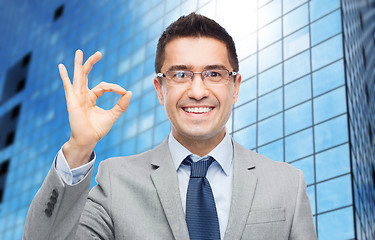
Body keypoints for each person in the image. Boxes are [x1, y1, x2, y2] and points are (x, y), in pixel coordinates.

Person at [23, 13, 317, 240]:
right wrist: (79, 147)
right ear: (160, 89)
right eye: (180, 75)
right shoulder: (116, 181)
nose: (198, 91)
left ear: (235, 87)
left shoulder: (287, 185)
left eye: (214, 74)